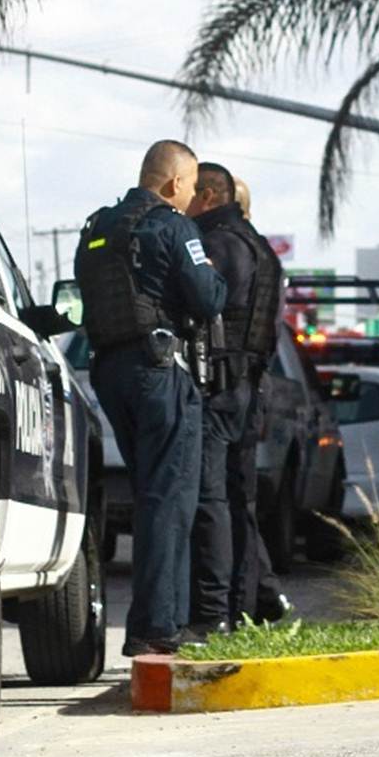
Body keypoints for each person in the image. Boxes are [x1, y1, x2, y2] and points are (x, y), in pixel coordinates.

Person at [77, 140, 226, 656]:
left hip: (110, 371)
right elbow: (208, 297)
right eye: (190, 185)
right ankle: (158, 628)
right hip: (160, 372)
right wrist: (213, 273)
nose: (190, 196)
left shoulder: (98, 226)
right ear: (174, 183)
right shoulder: (173, 226)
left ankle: (158, 622)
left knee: (151, 495)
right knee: (171, 497)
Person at [200, 169, 293, 626]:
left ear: (210, 195)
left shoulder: (219, 244)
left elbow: (205, 305)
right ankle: (253, 600)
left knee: (215, 499)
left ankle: (224, 608)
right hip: (251, 385)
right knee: (240, 500)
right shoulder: (262, 249)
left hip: (223, 387)